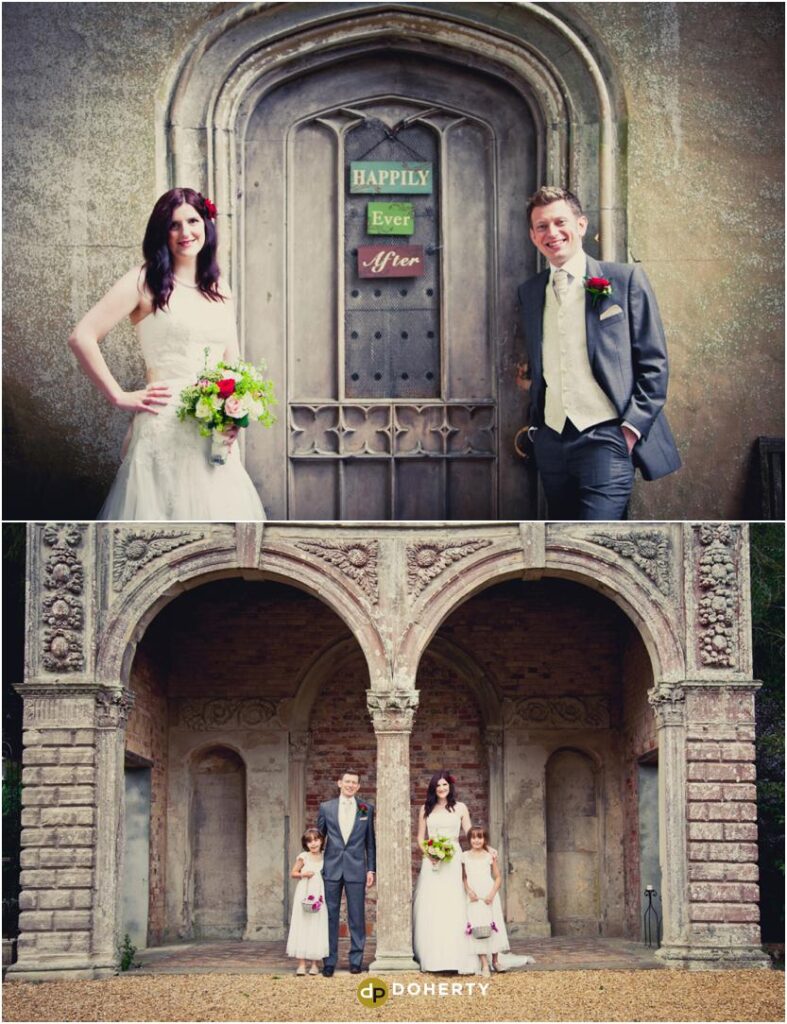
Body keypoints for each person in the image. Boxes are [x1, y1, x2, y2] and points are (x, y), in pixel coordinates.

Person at [68, 187, 265, 520]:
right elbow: (81, 336)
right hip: (163, 427)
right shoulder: (144, 281)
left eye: (193, 220)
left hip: (211, 433)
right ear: (162, 232)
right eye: (174, 225)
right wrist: (118, 396)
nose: (186, 232)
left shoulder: (220, 289)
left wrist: (235, 418)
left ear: (206, 223)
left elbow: (233, 367)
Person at [518, 185, 681, 520]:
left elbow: (654, 364)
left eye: (560, 222)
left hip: (607, 439)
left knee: (597, 544)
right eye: (542, 226)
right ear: (533, 236)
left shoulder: (623, 280)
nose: (552, 233)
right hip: (552, 442)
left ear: (581, 225)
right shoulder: (530, 292)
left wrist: (630, 431)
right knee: (564, 549)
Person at [412, 771, 478, 974]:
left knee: (454, 903)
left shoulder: (460, 808)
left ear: (450, 787)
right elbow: (420, 838)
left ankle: (458, 956)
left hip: (454, 858)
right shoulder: (426, 809)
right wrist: (430, 854)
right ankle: (433, 957)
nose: (441, 789)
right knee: (433, 904)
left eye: (444, 785)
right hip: (433, 862)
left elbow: (469, 833)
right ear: (433, 788)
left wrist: (484, 847)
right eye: (437, 786)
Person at [317, 770, 376, 976]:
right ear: (339, 783)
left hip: (356, 868)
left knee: (357, 917)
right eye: (347, 781)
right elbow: (318, 839)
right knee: (330, 915)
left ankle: (355, 960)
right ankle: (329, 961)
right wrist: (315, 866)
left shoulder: (365, 809)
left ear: (358, 787)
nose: (351, 785)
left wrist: (371, 869)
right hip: (331, 868)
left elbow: (370, 842)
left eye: (355, 783)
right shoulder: (326, 808)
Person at [462, 826, 510, 977]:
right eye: (474, 837)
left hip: (488, 894)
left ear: (485, 840)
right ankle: (484, 963)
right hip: (474, 896)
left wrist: (492, 894)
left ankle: (495, 960)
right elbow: (463, 877)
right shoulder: (464, 856)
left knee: (493, 924)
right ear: (469, 839)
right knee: (477, 927)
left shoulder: (489, 856)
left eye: (480, 837)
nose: (477, 840)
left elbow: (498, 877)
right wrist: (469, 891)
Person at [286, 827, 329, 975]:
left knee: (316, 925)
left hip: (319, 893)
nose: (313, 844)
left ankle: (315, 964)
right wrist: (303, 874)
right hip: (305, 892)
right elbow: (293, 873)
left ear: (321, 840)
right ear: (306, 844)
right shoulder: (303, 856)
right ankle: (301, 964)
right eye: (309, 841)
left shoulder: (325, 856)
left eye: (316, 840)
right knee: (303, 924)